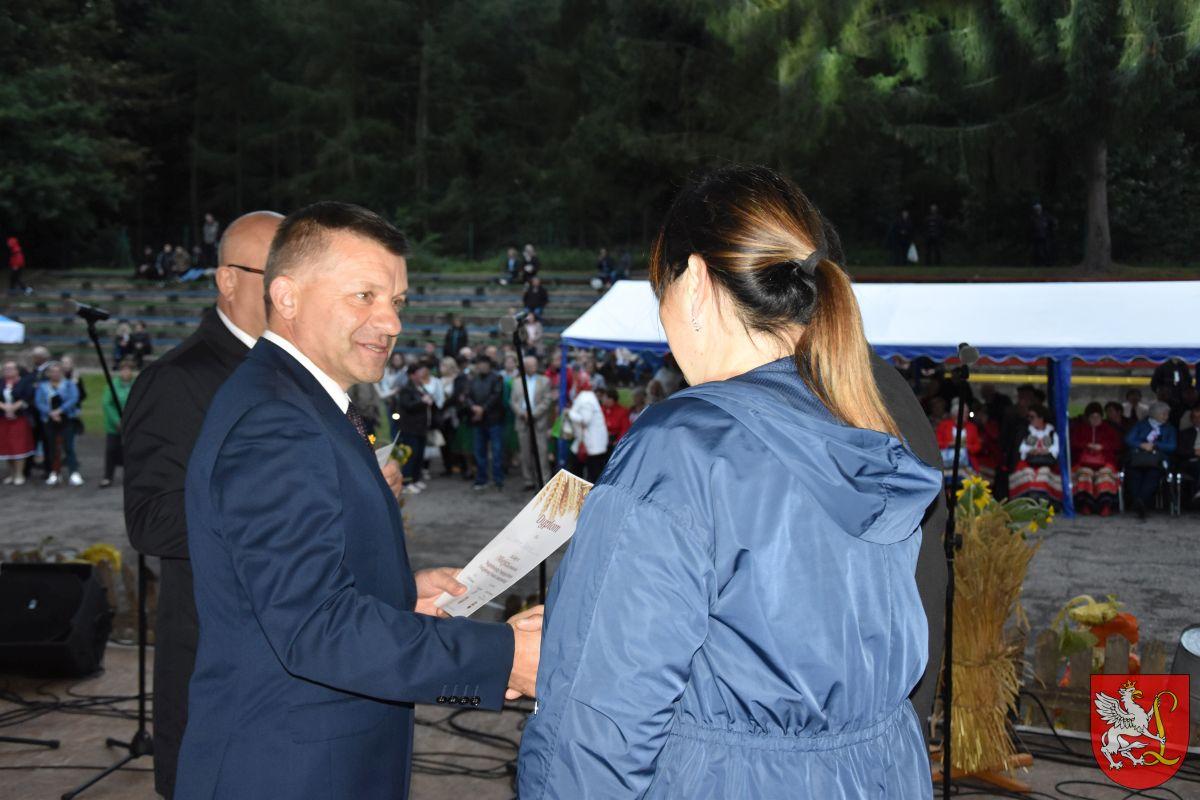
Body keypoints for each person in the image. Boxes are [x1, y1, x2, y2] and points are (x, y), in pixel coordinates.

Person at [517, 165, 942, 798]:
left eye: (658, 291)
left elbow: (596, 735)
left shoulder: (681, 447)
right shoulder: (863, 422)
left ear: (692, 282)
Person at [175, 202, 539, 800]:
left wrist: (398, 593)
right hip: (287, 773)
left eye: (396, 301)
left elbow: (291, 589)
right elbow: (316, 627)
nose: (391, 321)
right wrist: (505, 657)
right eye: (364, 296)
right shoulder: (278, 420)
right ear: (287, 296)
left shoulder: (301, 401)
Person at [123, 211, 291, 800]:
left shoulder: (299, 372)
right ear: (227, 280)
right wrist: (281, 502)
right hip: (220, 661)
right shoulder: (176, 380)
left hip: (298, 656)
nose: (288, 291)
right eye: (274, 275)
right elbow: (151, 521)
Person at [1123, 401, 1177, 520]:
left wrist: (1155, 445)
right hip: (1138, 458)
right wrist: (1141, 445)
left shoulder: (1169, 429)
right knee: (1134, 474)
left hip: (1157, 461)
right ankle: (1139, 503)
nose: (1166, 417)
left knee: (1153, 475)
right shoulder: (1140, 425)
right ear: (1155, 414)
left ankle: (1140, 502)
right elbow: (1128, 439)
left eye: (1167, 414)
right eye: (1164, 414)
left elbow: (1172, 446)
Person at [35, 362, 83, 486]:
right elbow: (39, 402)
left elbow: (74, 398)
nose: (55, 374)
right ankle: (55, 472)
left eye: (57, 371)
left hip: (67, 419)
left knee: (68, 446)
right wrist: (50, 412)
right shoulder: (43, 386)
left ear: (62, 372)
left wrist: (60, 410)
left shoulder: (69, 384)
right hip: (49, 420)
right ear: (48, 373)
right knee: (52, 447)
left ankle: (74, 472)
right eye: (52, 371)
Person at [1070, 402, 1121, 515]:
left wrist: (1103, 447)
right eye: (1092, 417)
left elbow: (1117, 445)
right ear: (1087, 418)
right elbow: (1073, 444)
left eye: (1097, 417)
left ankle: (1105, 505)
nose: (1095, 419)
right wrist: (1086, 445)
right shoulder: (1080, 429)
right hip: (1083, 462)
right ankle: (1086, 505)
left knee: (1105, 475)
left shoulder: (1109, 429)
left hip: (1105, 461)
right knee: (1085, 475)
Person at [1008, 404, 1063, 508]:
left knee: (1044, 473)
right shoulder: (1026, 431)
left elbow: (1056, 449)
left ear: (1041, 418)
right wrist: (1031, 450)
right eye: (1028, 417)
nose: (1029, 419)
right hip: (1029, 461)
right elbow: (1021, 448)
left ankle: (1044, 503)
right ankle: (1027, 503)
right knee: (1028, 473)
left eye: (1032, 417)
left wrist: (1045, 451)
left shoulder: (1051, 432)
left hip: (1047, 463)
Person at [510, 355, 552, 490]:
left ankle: (544, 481)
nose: (532, 367)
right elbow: (513, 401)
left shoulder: (544, 381)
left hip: (538, 422)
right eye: (529, 365)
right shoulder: (516, 382)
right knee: (525, 453)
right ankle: (528, 480)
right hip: (522, 421)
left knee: (542, 453)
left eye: (534, 365)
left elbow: (547, 401)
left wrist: (533, 414)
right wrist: (522, 413)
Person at [466, 353, 505, 490]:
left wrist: (482, 409)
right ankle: (481, 479)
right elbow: (468, 396)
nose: (482, 366)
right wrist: (473, 408)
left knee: (496, 451)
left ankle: (497, 479)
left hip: (494, 420)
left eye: (484, 364)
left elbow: (496, 396)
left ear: (489, 365)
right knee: (479, 452)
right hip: (478, 421)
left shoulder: (497, 378)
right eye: (480, 364)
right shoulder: (473, 379)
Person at [396, 363, 435, 494]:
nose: (422, 375)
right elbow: (407, 405)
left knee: (419, 455)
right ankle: (406, 482)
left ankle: (415, 479)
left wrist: (428, 400)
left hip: (422, 427)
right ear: (412, 375)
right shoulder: (406, 389)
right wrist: (422, 401)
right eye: (419, 372)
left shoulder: (421, 387)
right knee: (411, 455)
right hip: (410, 427)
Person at [100, 359, 136, 488]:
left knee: (131, 451)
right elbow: (106, 403)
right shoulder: (113, 385)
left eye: (128, 370)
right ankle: (108, 477)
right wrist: (117, 420)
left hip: (131, 425)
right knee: (111, 450)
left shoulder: (136, 385)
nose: (126, 373)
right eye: (123, 370)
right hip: (114, 426)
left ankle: (130, 477)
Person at [564, 372, 606, 481]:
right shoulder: (588, 396)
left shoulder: (585, 398)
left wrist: (570, 413)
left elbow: (585, 419)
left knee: (590, 475)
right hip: (588, 443)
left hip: (591, 444)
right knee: (580, 472)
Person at [0, 360, 35, 484]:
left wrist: (13, 408)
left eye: (11, 368)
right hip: (3, 419)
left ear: (17, 370)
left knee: (19, 446)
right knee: (7, 447)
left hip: (19, 419)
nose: (8, 371)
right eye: (6, 369)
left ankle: (20, 473)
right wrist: (5, 408)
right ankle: (11, 473)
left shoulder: (24, 382)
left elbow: (27, 397)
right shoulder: (1, 382)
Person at [1177, 404, 1200, 505]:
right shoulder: (1185, 433)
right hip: (1190, 462)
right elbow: (1180, 451)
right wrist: (1195, 452)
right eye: (1195, 417)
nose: (1198, 420)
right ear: (1191, 419)